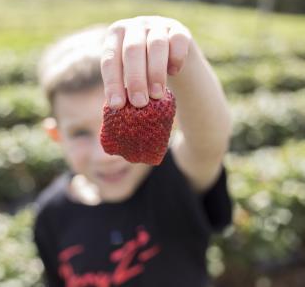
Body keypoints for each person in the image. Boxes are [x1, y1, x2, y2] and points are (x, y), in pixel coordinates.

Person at [33, 16, 233, 287]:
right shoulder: (50, 214)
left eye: (120, 126)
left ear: (164, 126)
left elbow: (209, 141)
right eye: (80, 133)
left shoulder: (172, 184)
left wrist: (183, 57)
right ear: (55, 135)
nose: (106, 154)